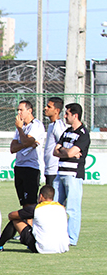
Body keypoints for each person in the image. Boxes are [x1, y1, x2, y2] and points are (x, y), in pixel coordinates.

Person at [0, 185, 69, 254]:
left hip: (43, 248)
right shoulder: (61, 208)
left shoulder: (36, 208)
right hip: (62, 247)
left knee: (15, 220)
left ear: (41, 196)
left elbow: (11, 215)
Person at [54, 102, 90, 246]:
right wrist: (67, 151)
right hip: (60, 173)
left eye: (67, 114)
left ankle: (71, 238)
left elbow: (67, 152)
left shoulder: (83, 134)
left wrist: (65, 151)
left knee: (73, 208)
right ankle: (56, 234)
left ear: (75, 115)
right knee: (55, 206)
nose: (65, 116)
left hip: (73, 174)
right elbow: (55, 151)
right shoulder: (67, 131)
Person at [10, 99, 44, 207]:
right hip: (19, 166)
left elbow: (25, 141)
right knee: (23, 203)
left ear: (29, 111)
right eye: (18, 110)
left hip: (31, 167)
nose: (18, 113)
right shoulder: (21, 126)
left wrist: (20, 130)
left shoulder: (36, 125)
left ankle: (31, 218)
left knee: (30, 202)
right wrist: (27, 143)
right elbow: (13, 148)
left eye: (21, 110)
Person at [43, 97, 66, 189]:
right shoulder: (52, 125)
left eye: (49, 107)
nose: (45, 108)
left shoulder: (58, 126)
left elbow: (63, 145)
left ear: (57, 110)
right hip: (49, 169)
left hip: (55, 170)